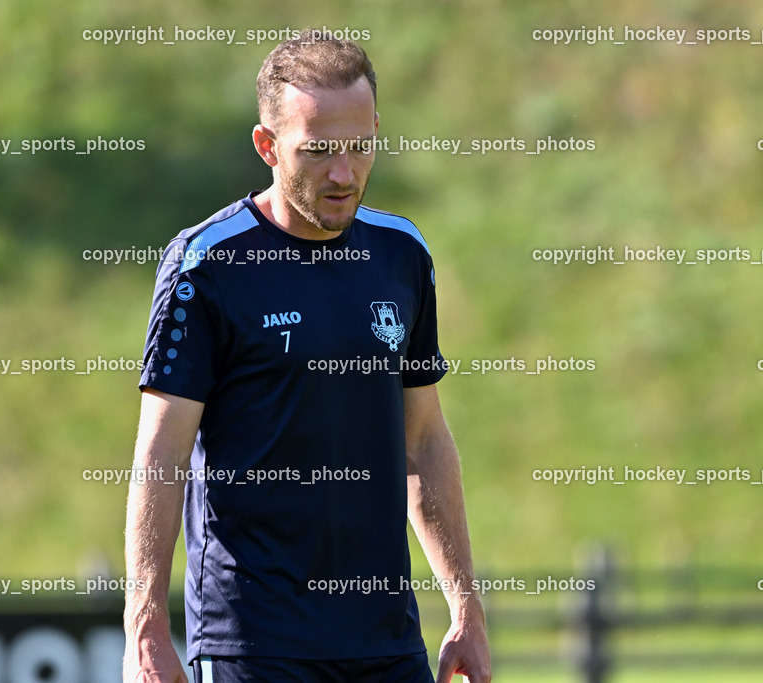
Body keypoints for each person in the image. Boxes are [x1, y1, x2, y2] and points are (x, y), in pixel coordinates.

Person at [123, 28, 491, 683]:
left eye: (359, 146)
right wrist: (145, 622)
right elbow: (162, 452)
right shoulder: (206, 265)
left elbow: (424, 438)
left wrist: (465, 604)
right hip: (253, 644)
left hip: (385, 642)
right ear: (267, 146)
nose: (343, 173)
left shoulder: (402, 255)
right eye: (318, 151)